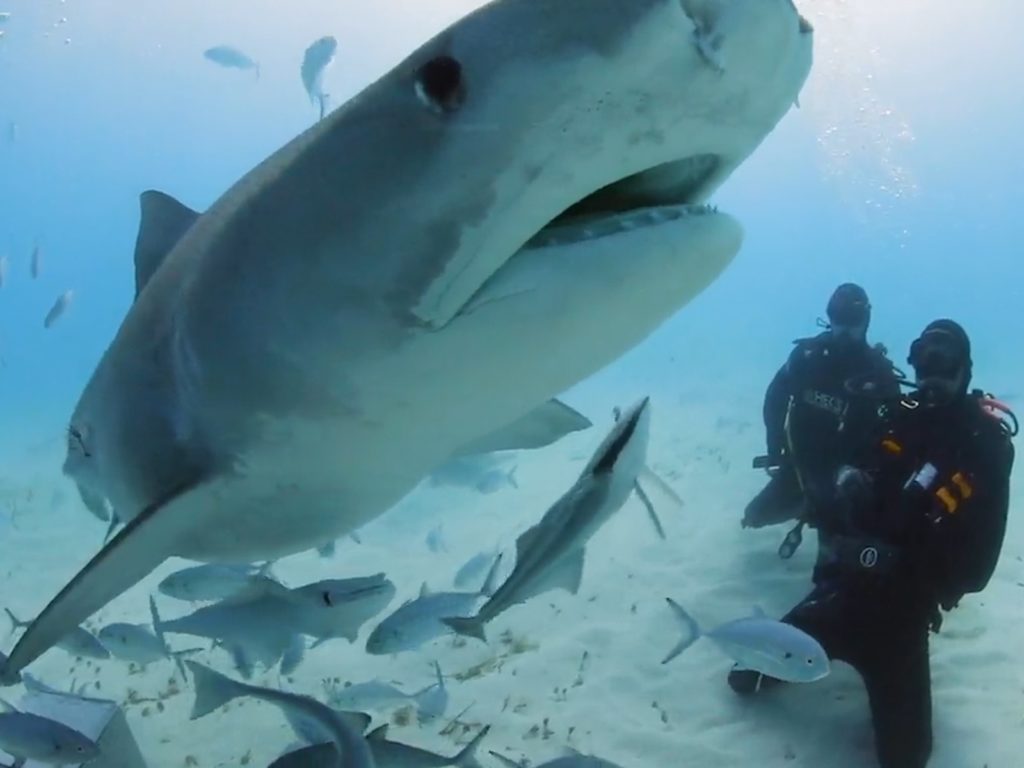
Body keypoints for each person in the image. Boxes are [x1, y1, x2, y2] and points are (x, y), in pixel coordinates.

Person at [728, 319, 1017, 768]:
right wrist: (851, 487)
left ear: (967, 370)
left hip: (904, 615)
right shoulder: (897, 417)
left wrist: (908, 565)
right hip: (844, 591)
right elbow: (844, 486)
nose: (931, 376)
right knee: (743, 677)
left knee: (906, 758)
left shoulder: (985, 444)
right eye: (923, 362)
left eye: (945, 364)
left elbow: (976, 570)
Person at [742, 283, 900, 544]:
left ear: (866, 321)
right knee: (754, 516)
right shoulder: (807, 357)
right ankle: (807, 506)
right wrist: (775, 445)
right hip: (802, 467)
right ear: (829, 317)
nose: (845, 329)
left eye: (853, 320)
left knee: (845, 548)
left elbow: (897, 426)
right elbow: (775, 396)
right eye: (838, 318)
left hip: (850, 478)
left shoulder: (879, 373)